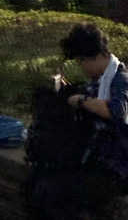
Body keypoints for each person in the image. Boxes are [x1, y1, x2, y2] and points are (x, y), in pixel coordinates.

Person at [29, 23, 128, 219]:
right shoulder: (101, 79)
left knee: (57, 193)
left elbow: (117, 111)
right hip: (98, 158)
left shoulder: (121, 79)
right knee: (41, 183)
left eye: (81, 62)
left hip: (117, 167)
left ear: (94, 56)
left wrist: (82, 101)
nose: (81, 67)